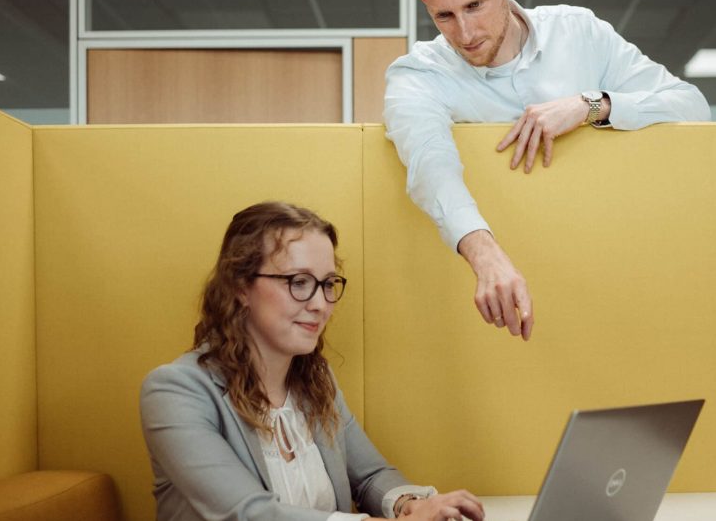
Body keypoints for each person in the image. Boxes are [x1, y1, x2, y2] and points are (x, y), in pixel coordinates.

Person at [384, 0, 710, 342]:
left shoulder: (580, 34)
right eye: (444, 15)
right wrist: (485, 257)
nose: (465, 33)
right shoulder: (418, 75)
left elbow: (691, 107)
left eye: (475, 5)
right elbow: (431, 166)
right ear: (425, 2)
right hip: (484, 307)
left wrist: (590, 105)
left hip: (611, 286)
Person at [139, 201, 484, 521]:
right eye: (299, 282)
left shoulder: (317, 380)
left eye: (328, 284)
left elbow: (371, 476)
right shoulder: (175, 391)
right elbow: (249, 514)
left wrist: (409, 504)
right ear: (241, 287)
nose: (321, 304)